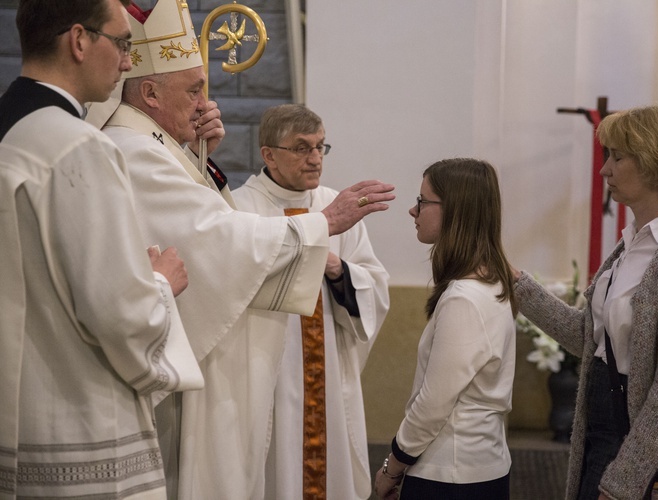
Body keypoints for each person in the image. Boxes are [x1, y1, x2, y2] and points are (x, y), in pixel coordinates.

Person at [90, 2, 395, 497]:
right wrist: (325, 225)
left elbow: (209, 225)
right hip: (245, 378)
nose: (206, 104)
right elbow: (217, 241)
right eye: (193, 91)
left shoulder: (155, 142)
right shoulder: (137, 149)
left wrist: (192, 148)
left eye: (321, 147)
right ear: (149, 91)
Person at [0, 0, 195, 498]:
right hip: (78, 424)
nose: (129, 62)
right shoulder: (78, 147)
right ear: (79, 41)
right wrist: (158, 285)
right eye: (123, 43)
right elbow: (118, 314)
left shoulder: (13, 133)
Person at [511, 105, 658, 499]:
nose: (604, 170)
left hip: (642, 446)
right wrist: (517, 283)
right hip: (602, 425)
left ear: (657, 163)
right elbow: (588, 338)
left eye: (617, 157)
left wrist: (625, 479)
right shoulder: (632, 246)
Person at [230, 104, 390, 499]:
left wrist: (338, 269)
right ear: (269, 154)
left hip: (328, 371)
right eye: (302, 148)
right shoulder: (238, 208)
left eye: (321, 146)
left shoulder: (338, 205)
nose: (315, 158)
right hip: (271, 369)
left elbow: (376, 287)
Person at [373, 158, 517, 500]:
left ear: (456, 210)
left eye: (423, 201)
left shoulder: (464, 298)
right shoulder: (489, 282)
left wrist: (392, 467)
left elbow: (433, 404)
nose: (413, 210)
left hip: (451, 472)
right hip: (475, 465)